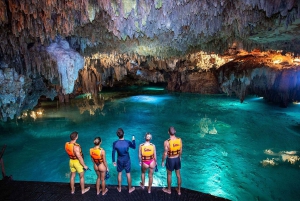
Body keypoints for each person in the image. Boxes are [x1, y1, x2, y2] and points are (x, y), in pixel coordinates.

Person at [112, 128, 136, 193]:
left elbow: (113, 152)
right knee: (128, 174)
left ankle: (119, 188)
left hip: (119, 160)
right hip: (127, 159)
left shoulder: (115, 143)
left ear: (117, 135)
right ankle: (130, 189)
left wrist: (113, 161)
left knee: (119, 173)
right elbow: (134, 147)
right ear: (124, 134)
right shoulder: (128, 142)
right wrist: (133, 140)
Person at [161, 126, 182, 195]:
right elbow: (180, 150)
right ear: (175, 132)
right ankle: (179, 190)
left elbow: (165, 153)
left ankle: (169, 190)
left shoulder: (167, 142)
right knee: (178, 175)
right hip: (177, 159)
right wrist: (180, 157)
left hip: (170, 159)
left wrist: (163, 161)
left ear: (168, 132)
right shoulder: (179, 140)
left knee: (169, 175)